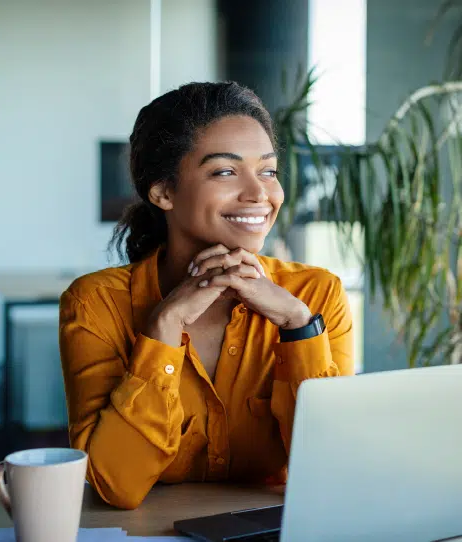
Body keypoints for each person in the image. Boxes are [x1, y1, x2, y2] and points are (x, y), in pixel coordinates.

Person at [59, 81, 354, 510]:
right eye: (225, 171)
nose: (259, 194)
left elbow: (335, 470)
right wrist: (163, 328)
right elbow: (114, 485)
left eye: (268, 171)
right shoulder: (95, 304)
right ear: (162, 192)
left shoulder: (314, 296)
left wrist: (298, 327)